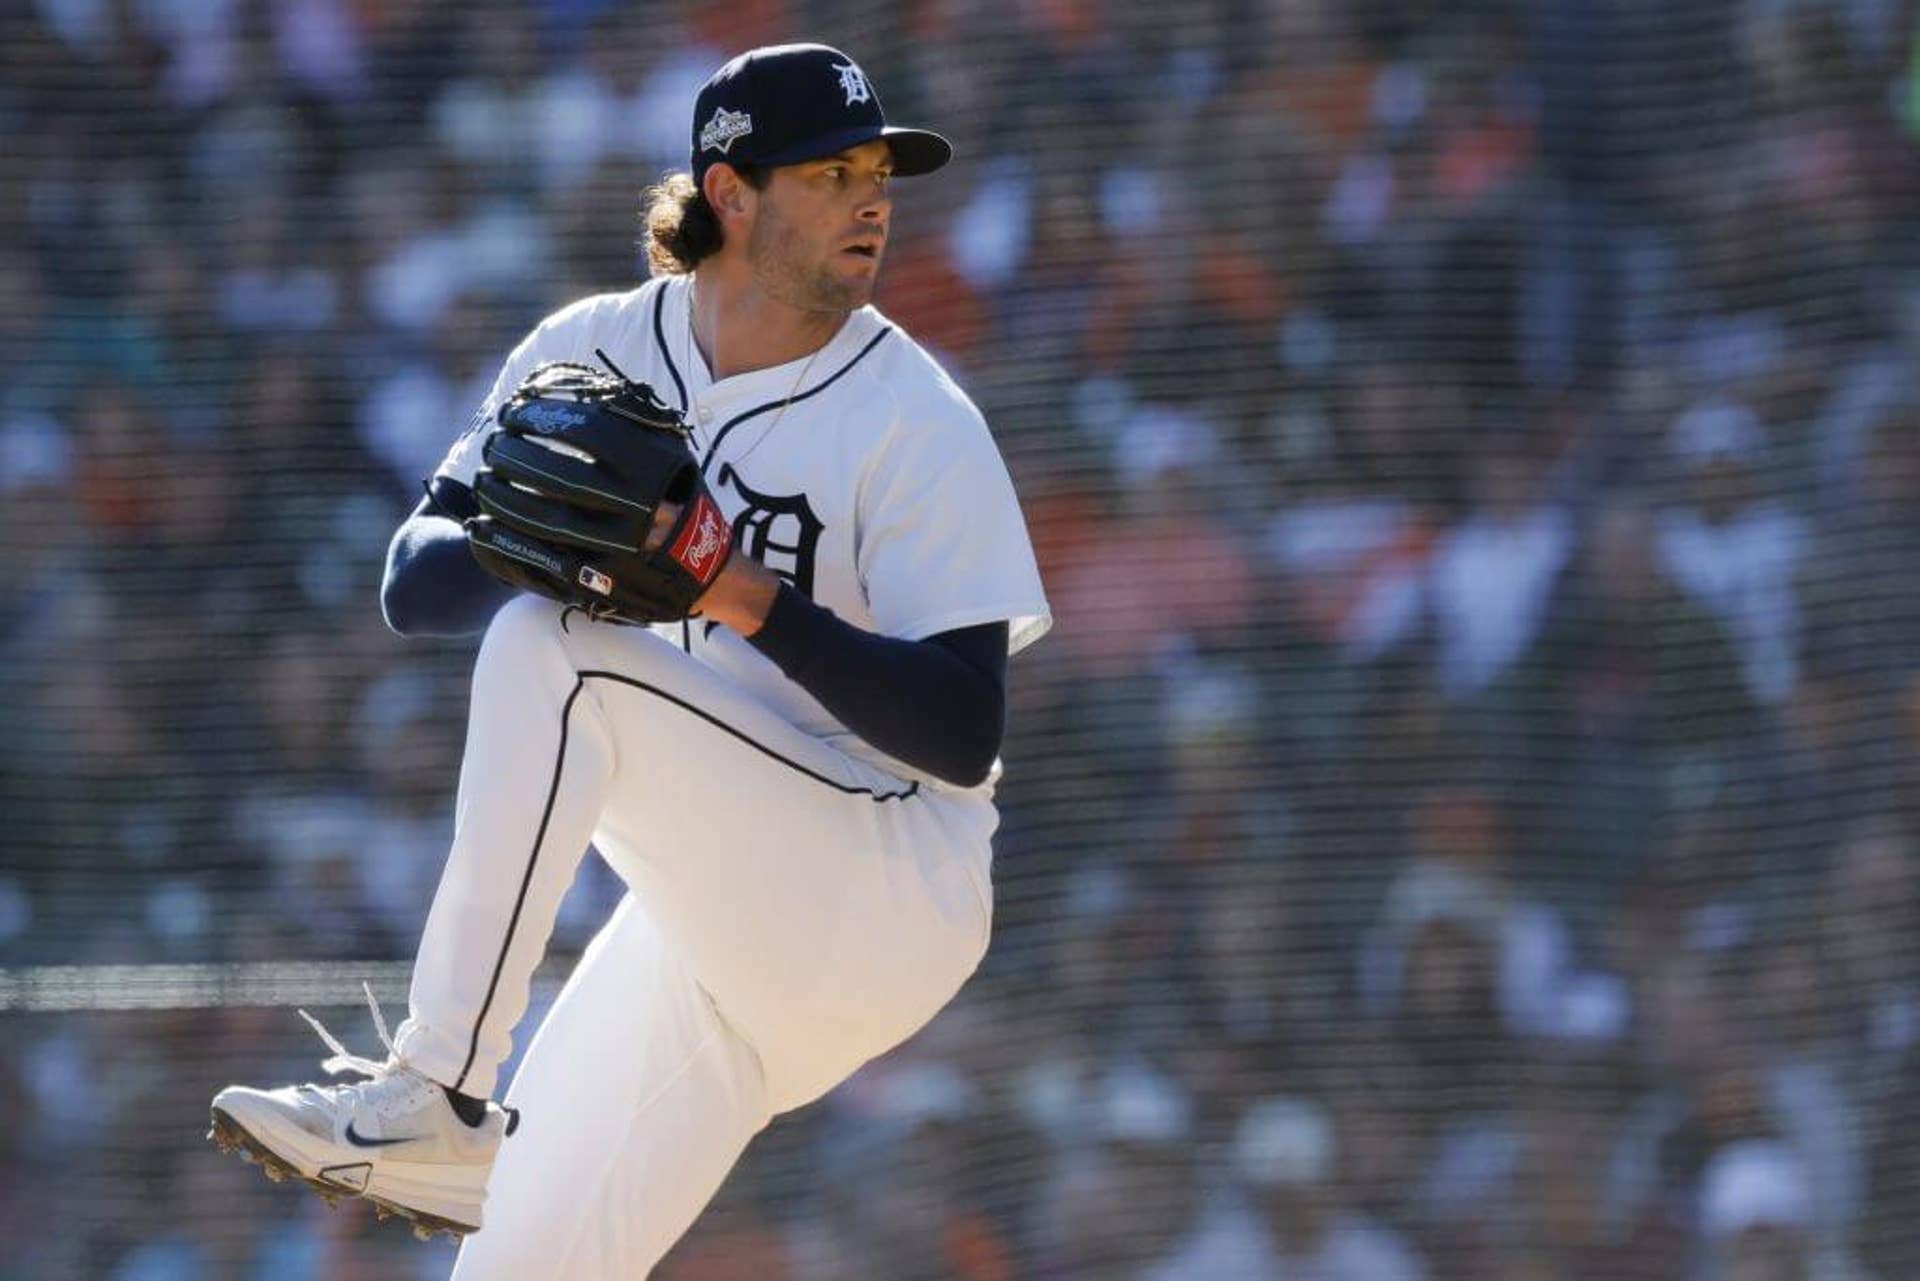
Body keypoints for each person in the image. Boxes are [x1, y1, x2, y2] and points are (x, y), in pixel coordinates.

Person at [208, 43, 1050, 1280]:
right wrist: (529, 527)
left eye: (880, 171)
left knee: (562, 652)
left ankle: (438, 1087)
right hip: (718, 932)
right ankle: (444, 1124)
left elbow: (965, 729)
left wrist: (740, 590)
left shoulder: (915, 416)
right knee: (513, 1268)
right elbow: (414, 584)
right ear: (731, 193)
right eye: (831, 172)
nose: (873, 198)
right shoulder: (597, 345)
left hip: (889, 881)